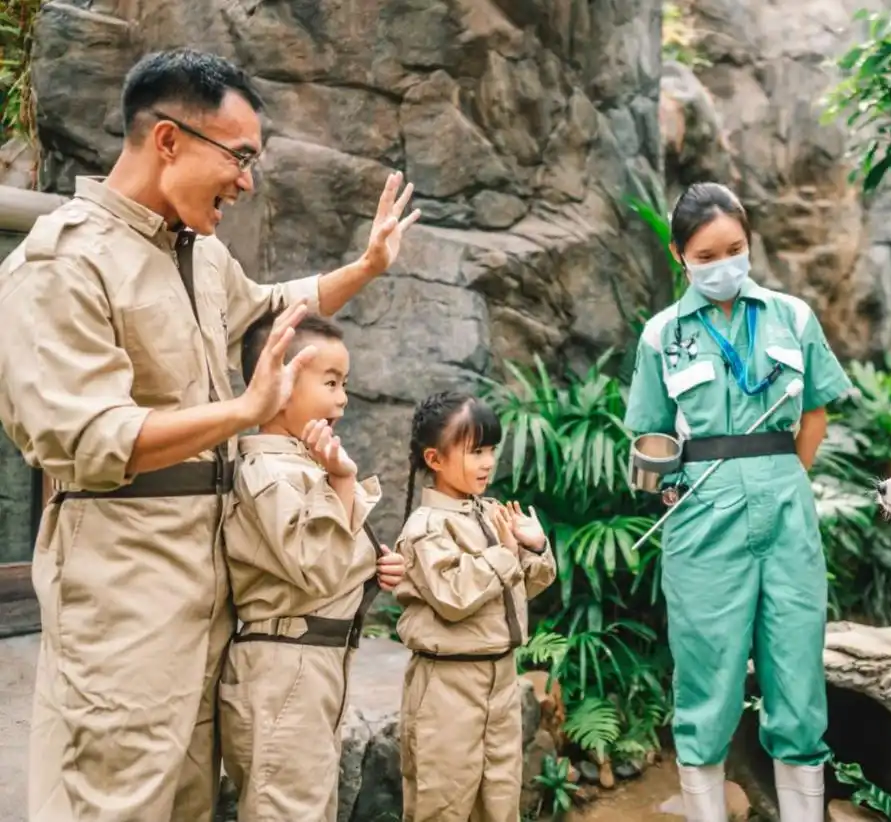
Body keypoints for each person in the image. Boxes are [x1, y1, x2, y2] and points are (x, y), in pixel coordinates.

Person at [0, 48, 420, 822]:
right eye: (240, 157)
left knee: (190, 799)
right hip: (125, 586)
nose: (248, 180)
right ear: (168, 140)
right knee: (119, 796)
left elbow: (271, 307)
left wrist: (364, 267)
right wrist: (242, 414)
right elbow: (90, 437)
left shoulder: (199, 255)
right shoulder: (60, 264)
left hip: (212, 583)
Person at [623, 182, 855, 822]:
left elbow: (815, 412)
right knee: (706, 680)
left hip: (786, 513)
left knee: (798, 677)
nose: (723, 264)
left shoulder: (792, 316)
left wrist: (783, 475)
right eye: (706, 254)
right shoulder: (661, 335)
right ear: (680, 256)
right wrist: (668, 483)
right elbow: (649, 431)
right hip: (701, 522)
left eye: (735, 249)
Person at [219, 313, 405, 821]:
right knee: (289, 810)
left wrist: (372, 567)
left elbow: (326, 560)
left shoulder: (300, 464)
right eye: (330, 383)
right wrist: (343, 483)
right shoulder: (268, 471)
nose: (342, 398)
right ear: (278, 383)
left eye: (345, 384)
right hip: (287, 670)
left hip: (309, 665)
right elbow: (318, 567)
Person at [391, 391, 557, 822]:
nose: (487, 462)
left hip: (500, 676)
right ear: (435, 458)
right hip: (449, 683)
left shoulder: (490, 512)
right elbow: (453, 596)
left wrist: (535, 546)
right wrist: (504, 554)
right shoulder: (425, 527)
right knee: (442, 802)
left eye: (490, 450)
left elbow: (522, 587)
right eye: (474, 451)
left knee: (500, 802)